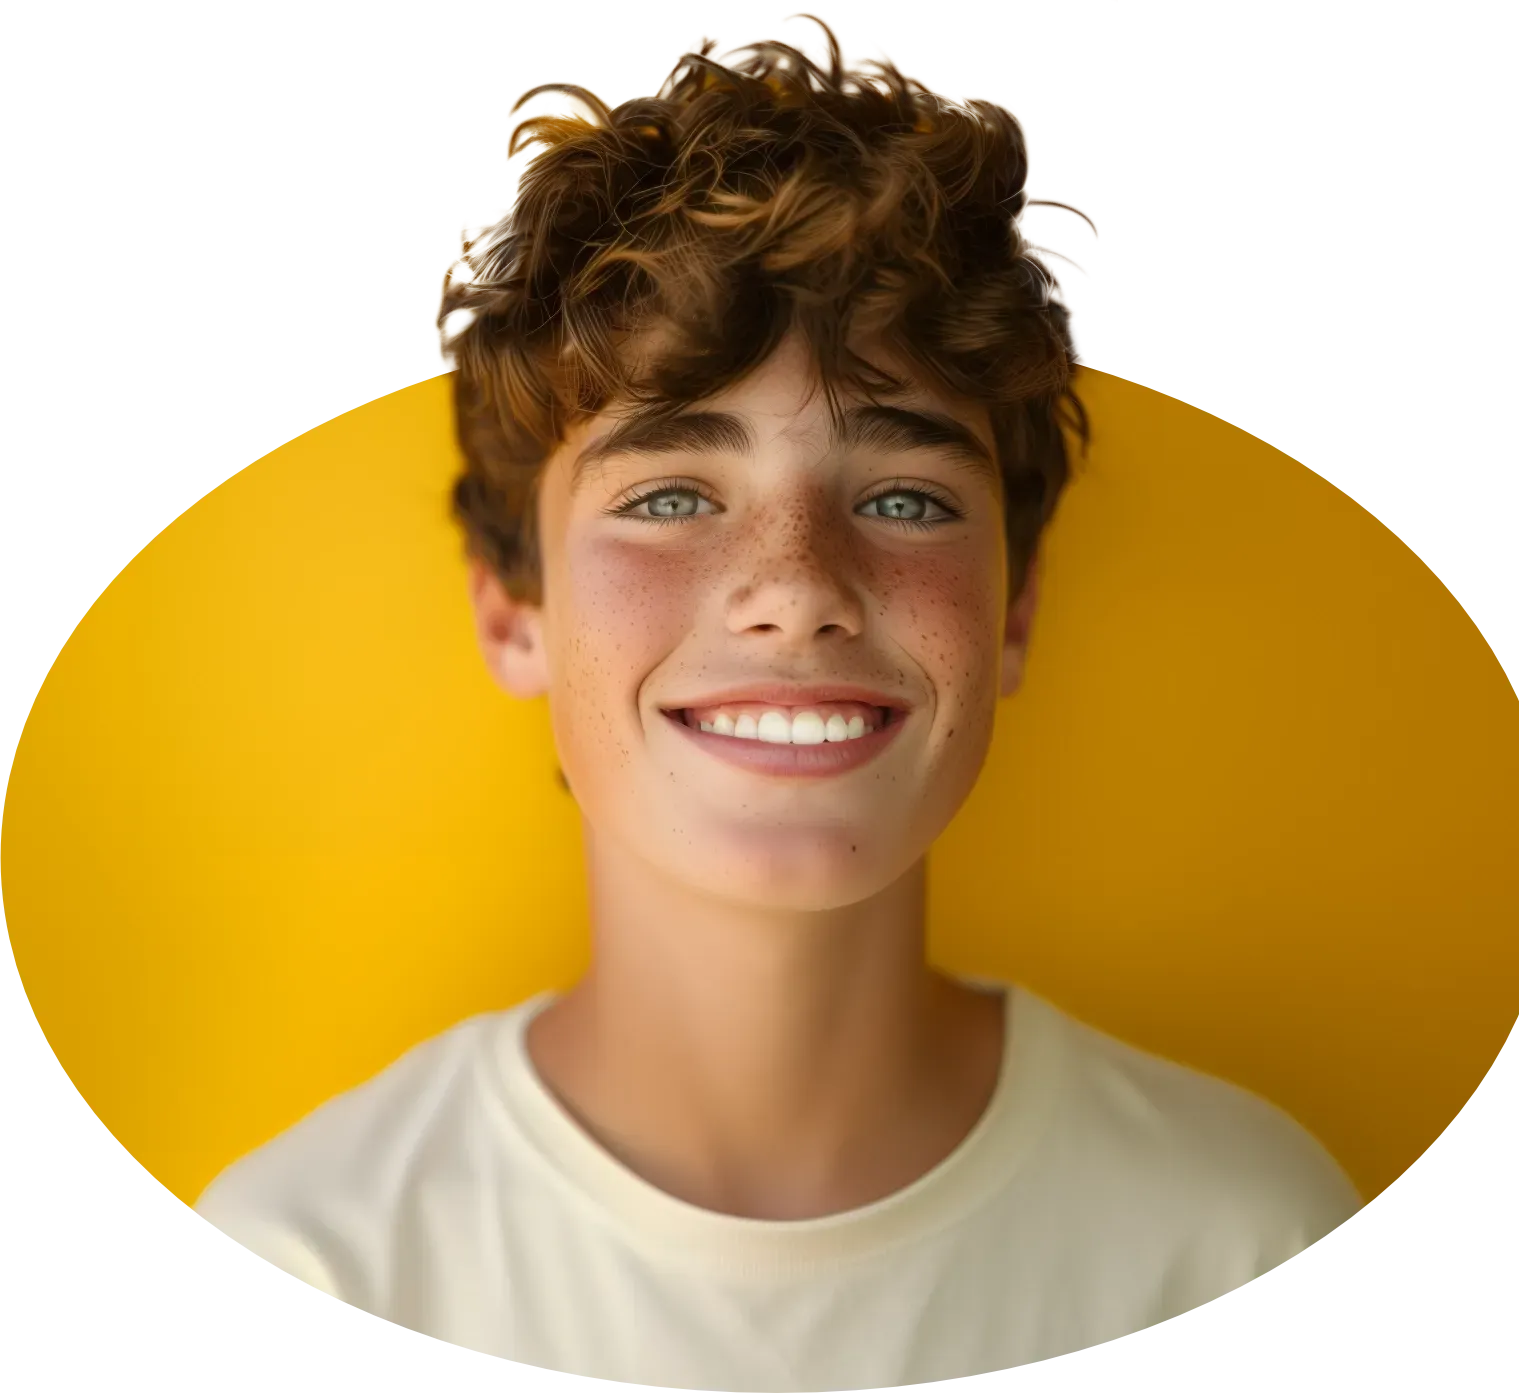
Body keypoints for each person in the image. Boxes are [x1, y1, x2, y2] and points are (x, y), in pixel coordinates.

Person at [195, 15, 1364, 1388]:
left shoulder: (1241, 1240)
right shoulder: (317, 1256)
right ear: (514, 608)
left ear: (1015, 614)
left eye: (905, 498)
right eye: (673, 496)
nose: (795, 588)